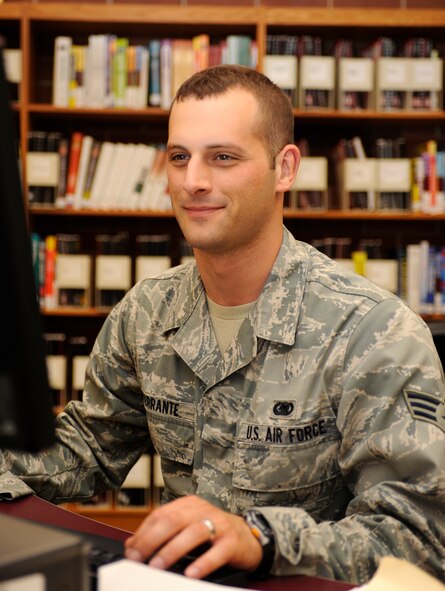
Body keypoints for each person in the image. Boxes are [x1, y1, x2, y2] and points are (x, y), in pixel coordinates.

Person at [1, 64, 445, 585]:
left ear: (285, 169)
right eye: (179, 157)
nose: (193, 182)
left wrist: (262, 539)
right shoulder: (146, 313)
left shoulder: (374, 332)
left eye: (223, 158)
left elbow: (417, 539)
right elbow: (87, 451)